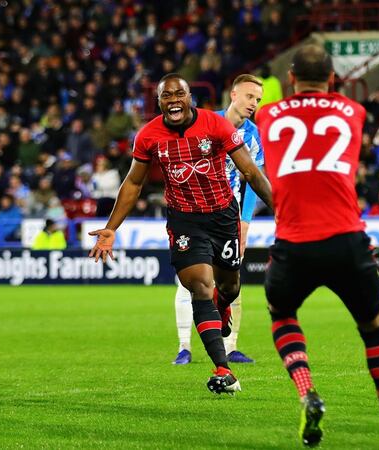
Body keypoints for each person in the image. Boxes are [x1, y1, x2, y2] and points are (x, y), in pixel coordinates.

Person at [256, 45, 379, 449]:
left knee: (282, 314)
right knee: (373, 329)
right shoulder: (352, 111)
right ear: (332, 78)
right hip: (347, 239)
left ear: (290, 78)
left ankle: (307, 390)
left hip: (294, 243)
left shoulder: (269, 114)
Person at [88, 73, 273, 395]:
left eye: (179, 94)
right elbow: (133, 183)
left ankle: (223, 305)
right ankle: (222, 370)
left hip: (223, 215)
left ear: (190, 98)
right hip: (184, 220)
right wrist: (111, 228)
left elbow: (250, 171)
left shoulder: (216, 126)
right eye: (166, 96)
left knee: (229, 286)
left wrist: (281, 209)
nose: (173, 100)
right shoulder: (148, 136)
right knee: (200, 286)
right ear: (159, 102)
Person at [172, 74, 265, 366]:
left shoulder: (252, 135)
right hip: (195, 214)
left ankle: (231, 345)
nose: (254, 104)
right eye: (250, 97)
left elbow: (254, 179)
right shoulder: (205, 123)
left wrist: (245, 221)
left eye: (258, 100)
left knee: (230, 279)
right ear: (233, 94)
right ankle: (184, 346)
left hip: (229, 218)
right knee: (190, 280)